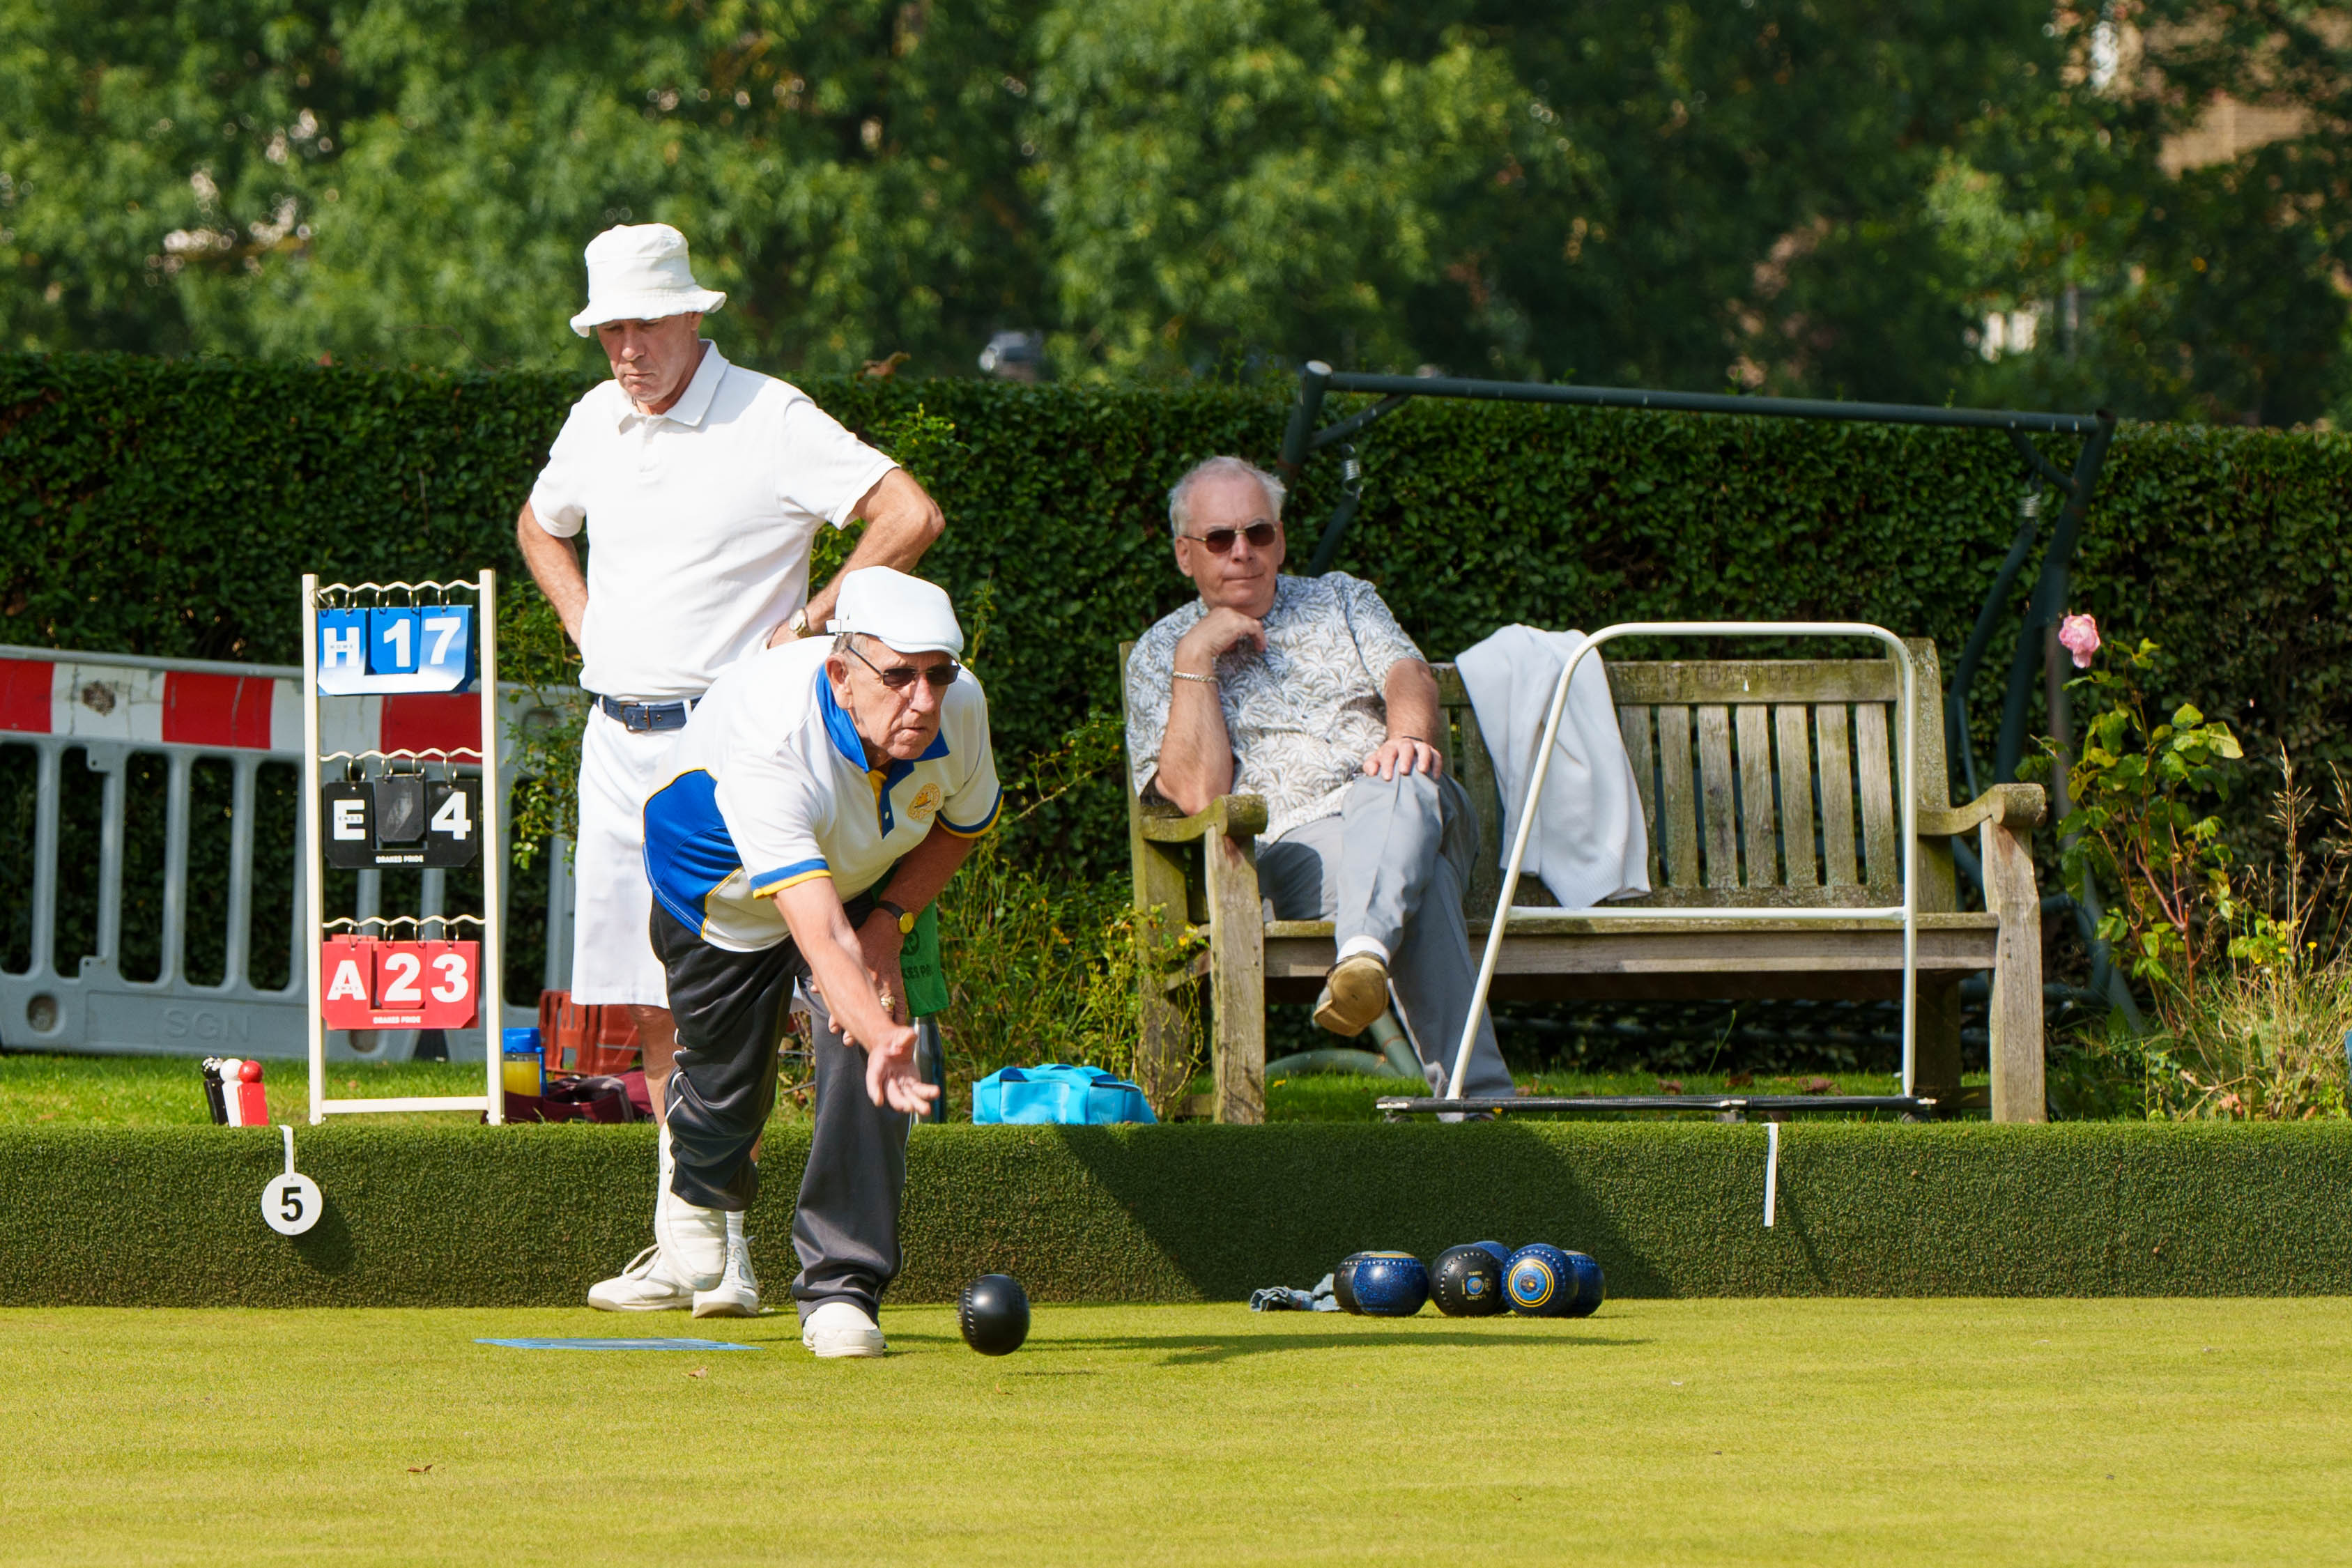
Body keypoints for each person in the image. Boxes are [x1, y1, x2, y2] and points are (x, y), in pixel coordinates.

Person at [516, 223, 944, 1316]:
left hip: (741, 754)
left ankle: (778, 1259)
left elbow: (909, 513)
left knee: (769, 1005)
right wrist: (588, 633)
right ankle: (696, 1246)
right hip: (619, 745)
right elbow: (539, 524)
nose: (625, 348)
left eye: (644, 324)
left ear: (693, 316)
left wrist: (809, 621)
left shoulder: (770, 415)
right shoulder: (593, 420)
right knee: (662, 1011)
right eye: (608, 327)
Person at [643, 567, 998, 1357]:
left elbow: (961, 826)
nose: (925, 700)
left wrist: (891, 926)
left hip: (862, 880)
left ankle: (842, 1289)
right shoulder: (775, 735)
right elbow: (821, 936)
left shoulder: (958, 708)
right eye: (899, 676)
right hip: (718, 889)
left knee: (866, 1056)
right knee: (729, 1098)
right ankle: (697, 1173)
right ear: (840, 674)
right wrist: (874, 1019)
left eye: (938, 675)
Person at [1122, 456, 1514, 1100]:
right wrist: (1197, 659)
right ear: (1184, 555)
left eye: (1259, 533)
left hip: (1414, 800)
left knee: (1401, 774)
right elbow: (1198, 797)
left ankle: (1361, 947)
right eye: (1220, 539)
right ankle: (1477, 1105)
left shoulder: (1342, 597)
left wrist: (1407, 735)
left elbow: (1408, 675)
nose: (1242, 552)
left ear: (1280, 538)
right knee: (1425, 881)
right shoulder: (1162, 653)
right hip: (1299, 850)